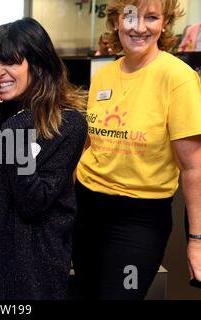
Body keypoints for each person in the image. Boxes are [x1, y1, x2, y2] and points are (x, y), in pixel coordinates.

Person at [73, 0, 201, 300]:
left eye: (152, 17)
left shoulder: (178, 78)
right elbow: (92, 143)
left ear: (165, 23)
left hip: (138, 221)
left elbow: (194, 168)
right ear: (117, 20)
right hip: (87, 210)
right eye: (130, 16)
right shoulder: (104, 75)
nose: (139, 27)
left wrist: (196, 240)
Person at [0, 17, 88, 300]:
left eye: (11, 62)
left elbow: (32, 203)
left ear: (38, 64)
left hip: (34, 267)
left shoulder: (68, 124)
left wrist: (16, 136)